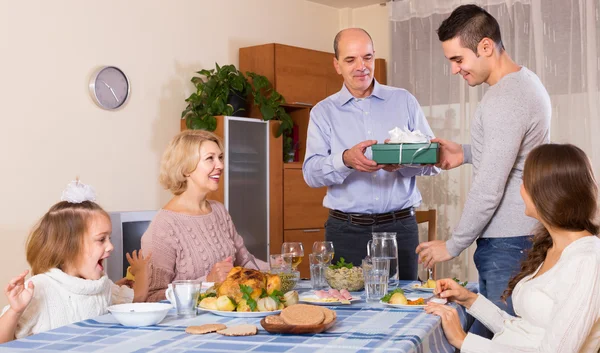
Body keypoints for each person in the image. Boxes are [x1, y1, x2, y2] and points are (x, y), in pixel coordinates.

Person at [415, 4, 552, 336]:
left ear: (486, 46)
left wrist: (453, 244)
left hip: (509, 242)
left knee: (496, 341)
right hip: (519, 238)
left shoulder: (504, 99)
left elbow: (490, 185)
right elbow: (514, 154)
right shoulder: (524, 83)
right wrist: (463, 153)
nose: (453, 70)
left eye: (458, 59)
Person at [425, 143, 600, 352]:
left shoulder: (586, 261)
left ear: (547, 192)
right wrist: (470, 300)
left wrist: (465, 342)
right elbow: (523, 330)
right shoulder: (553, 248)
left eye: (524, 181)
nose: (520, 189)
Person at [302, 28, 438, 280]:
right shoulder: (323, 112)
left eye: (367, 57)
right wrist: (345, 160)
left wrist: (403, 161)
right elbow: (310, 174)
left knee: (404, 304)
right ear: (337, 65)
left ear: (374, 56)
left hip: (400, 228)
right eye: (350, 59)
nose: (361, 66)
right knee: (345, 309)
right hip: (345, 231)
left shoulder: (404, 101)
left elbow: (433, 161)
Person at [0, 180, 150, 343]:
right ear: (68, 246)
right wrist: (15, 311)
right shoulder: (40, 289)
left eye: (109, 238)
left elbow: (132, 304)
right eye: (101, 239)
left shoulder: (102, 285)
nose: (110, 246)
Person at [141, 130, 268, 302]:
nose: (221, 165)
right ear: (186, 168)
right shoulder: (164, 225)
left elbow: (244, 261)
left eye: (220, 157)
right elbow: (150, 297)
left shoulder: (218, 211)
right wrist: (207, 282)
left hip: (227, 315)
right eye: (210, 158)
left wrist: (277, 268)